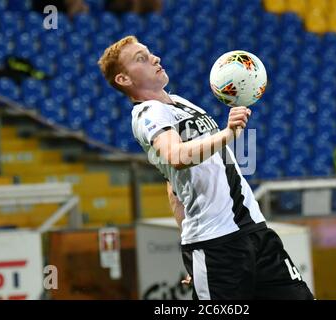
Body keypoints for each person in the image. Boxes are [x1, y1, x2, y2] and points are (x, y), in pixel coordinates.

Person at [98, 35, 314, 300]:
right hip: (218, 244)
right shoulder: (148, 113)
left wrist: (187, 241)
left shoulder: (180, 103)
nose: (155, 58)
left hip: (255, 231)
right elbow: (175, 156)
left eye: (150, 52)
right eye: (141, 58)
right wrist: (228, 133)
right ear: (124, 79)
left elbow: (173, 185)